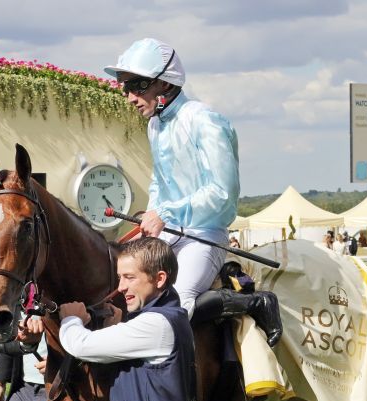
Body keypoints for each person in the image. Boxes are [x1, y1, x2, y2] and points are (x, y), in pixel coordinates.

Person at [104, 38, 282, 347]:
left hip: (206, 232)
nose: (130, 97)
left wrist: (167, 213)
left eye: (137, 86)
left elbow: (222, 194)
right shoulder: (155, 126)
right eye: (125, 88)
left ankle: (256, 303)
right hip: (171, 232)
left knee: (179, 300)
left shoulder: (206, 120)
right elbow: (160, 182)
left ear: (164, 83)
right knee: (127, 286)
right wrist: (151, 214)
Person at [58, 238, 196, 401]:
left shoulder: (157, 324)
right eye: (120, 277)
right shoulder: (166, 318)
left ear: (159, 278)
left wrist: (70, 319)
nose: (121, 287)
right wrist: (111, 328)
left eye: (129, 277)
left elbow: (81, 345)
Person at [0, 317, 55, 401]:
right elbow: (9, 337)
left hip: (63, 395)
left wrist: (62, 365)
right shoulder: (22, 301)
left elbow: (92, 342)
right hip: (23, 393)